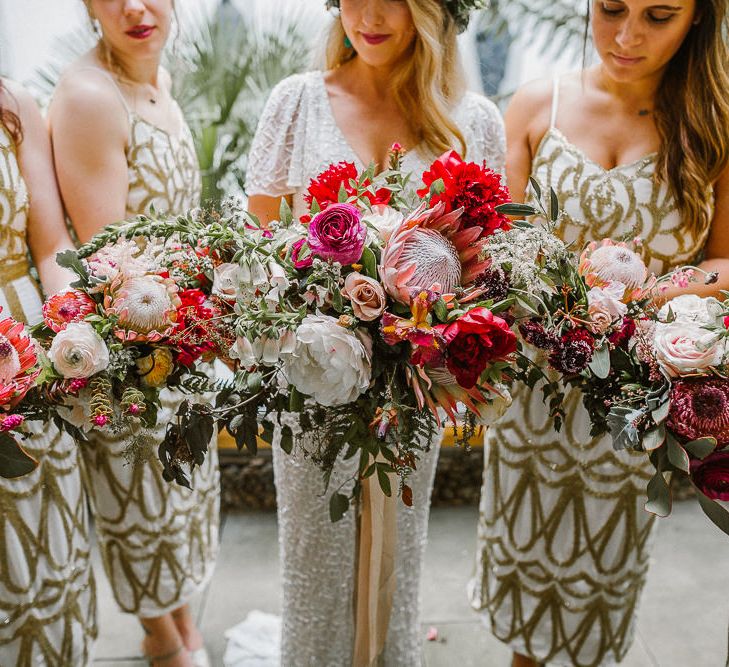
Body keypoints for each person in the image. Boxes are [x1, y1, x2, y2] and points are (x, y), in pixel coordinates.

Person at [245, 0, 505, 664]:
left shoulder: (474, 122)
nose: (371, 14)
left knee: (399, 548)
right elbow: (255, 248)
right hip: (309, 384)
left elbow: (488, 268)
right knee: (312, 558)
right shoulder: (295, 103)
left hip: (412, 387)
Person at [470, 1, 729, 665]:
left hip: (633, 403)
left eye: (657, 16)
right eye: (609, 8)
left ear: (696, 18)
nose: (625, 35)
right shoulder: (533, 109)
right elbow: (493, 250)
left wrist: (647, 296)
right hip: (534, 397)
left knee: (600, 586)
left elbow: (724, 260)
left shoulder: (714, 126)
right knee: (523, 588)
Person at [48, 2, 219, 666]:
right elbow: (105, 258)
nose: (134, 8)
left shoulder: (156, 78)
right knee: (138, 495)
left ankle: (178, 618)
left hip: (177, 334)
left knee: (172, 492)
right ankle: (162, 636)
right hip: (125, 346)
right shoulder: (90, 96)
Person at [0, 77, 97, 666]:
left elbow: (49, 244)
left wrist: (74, 329)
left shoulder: (14, 104)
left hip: (28, 354)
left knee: (44, 548)